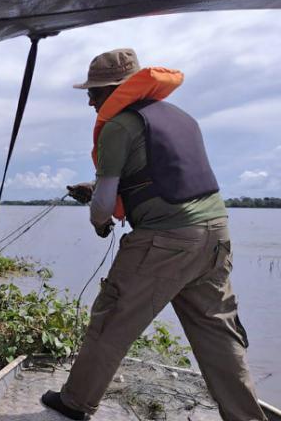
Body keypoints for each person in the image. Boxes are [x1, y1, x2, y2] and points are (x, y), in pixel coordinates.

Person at [40, 48, 267, 421]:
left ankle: (76, 402)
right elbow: (162, 177)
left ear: (116, 90)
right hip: (216, 236)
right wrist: (95, 186)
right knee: (218, 335)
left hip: (165, 240)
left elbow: (103, 208)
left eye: (94, 92)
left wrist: (100, 221)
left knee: (112, 317)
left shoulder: (117, 126)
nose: (89, 100)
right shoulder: (182, 119)